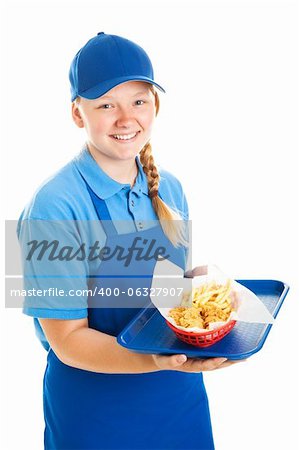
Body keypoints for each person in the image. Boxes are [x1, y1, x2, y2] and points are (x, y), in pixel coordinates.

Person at [17, 32, 240, 450]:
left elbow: (165, 296)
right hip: (96, 417)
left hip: (180, 405)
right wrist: (153, 360)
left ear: (155, 105)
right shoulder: (54, 205)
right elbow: (66, 341)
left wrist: (200, 285)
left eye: (139, 100)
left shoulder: (169, 188)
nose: (125, 118)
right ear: (77, 114)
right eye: (106, 105)